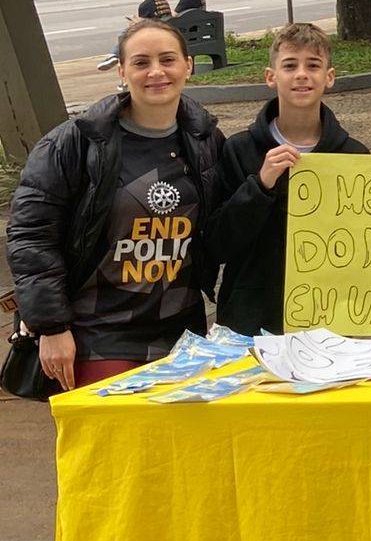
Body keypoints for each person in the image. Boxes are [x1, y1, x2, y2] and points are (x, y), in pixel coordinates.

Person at [6, 20, 225, 390]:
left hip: (181, 331)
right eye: (141, 62)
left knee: (178, 429)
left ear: (188, 65)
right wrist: (51, 326)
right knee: (109, 429)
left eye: (167, 59)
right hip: (97, 333)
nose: (156, 71)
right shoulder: (75, 143)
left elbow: (227, 225)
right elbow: (31, 235)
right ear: (122, 71)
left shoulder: (207, 140)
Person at [210, 23, 367, 336]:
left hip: (329, 322)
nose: (301, 75)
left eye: (313, 66)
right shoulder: (239, 150)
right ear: (271, 77)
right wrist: (260, 186)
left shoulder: (354, 155)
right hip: (251, 321)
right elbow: (218, 244)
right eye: (290, 65)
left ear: (329, 77)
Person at [94, 0, 173, 70]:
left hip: (154, 33)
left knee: (127, 34)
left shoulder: (145, 5)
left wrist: (134, 23)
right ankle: (113, 55)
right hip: (167, 30)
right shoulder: (162, 0)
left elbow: (143, 25)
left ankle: (114, 55)